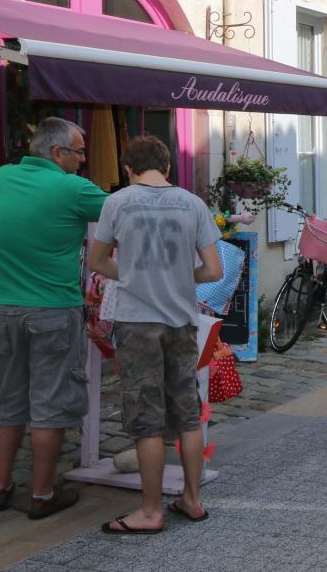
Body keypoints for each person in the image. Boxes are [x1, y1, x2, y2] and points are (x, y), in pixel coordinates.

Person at [89, 136, 223, 534]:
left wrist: (130, 277)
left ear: (128, 169)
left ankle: (150, 511)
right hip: (180, 320)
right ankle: (193, 500)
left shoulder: (118, 202)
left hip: (137, 322)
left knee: (146, 418)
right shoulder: (193, 203)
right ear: (168, 168)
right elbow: (214, 270)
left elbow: (98, 260)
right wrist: (181, 279)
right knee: (186, 412)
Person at [0, 118, 108, 519]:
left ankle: (0, 487)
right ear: (57, 153)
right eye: (79, 152)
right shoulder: (73, 188)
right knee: (50, 401)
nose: (84, 160)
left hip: (0, 308)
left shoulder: (2, 177)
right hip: (52, 307)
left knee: (7, 398)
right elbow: (123, 212)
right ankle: (42, 494)